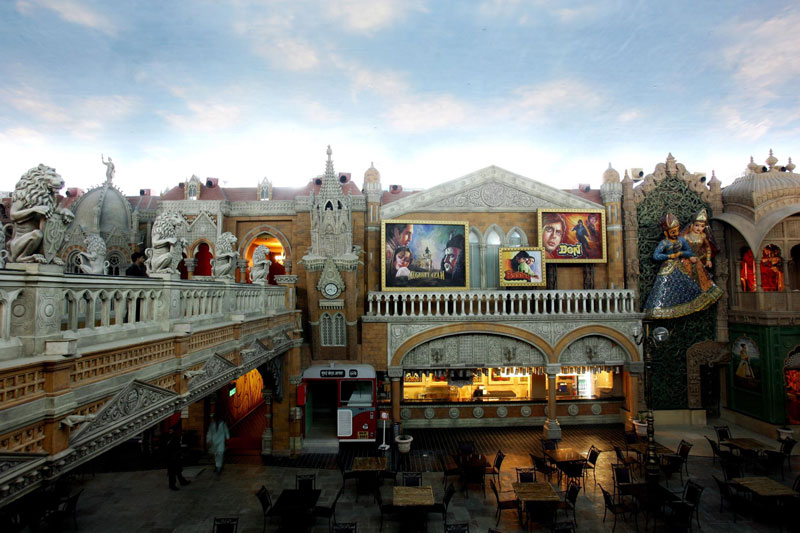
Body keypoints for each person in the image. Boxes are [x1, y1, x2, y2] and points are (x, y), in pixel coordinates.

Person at [643, 213, 722, 319]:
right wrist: (669, 256)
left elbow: (688, 252)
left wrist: (682, 254)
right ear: (666, 233)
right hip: (667, 267)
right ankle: (660, 309)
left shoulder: (682, 240)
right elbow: (656, 256)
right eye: (673, 232)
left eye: (677, 230)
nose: (675, 233)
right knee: (663, 288)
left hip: (680, 266)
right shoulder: (664, 243)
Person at [679, 208, 718, 289]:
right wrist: (689, 257)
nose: (699, 228)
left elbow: (708, 248)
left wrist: (708, 260)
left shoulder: (703, 236)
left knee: (701, 279)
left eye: (702, 226)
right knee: (687, 277)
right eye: (697, 225)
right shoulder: (686, 236)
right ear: (692, 225)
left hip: (698, 260)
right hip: (686, 260)